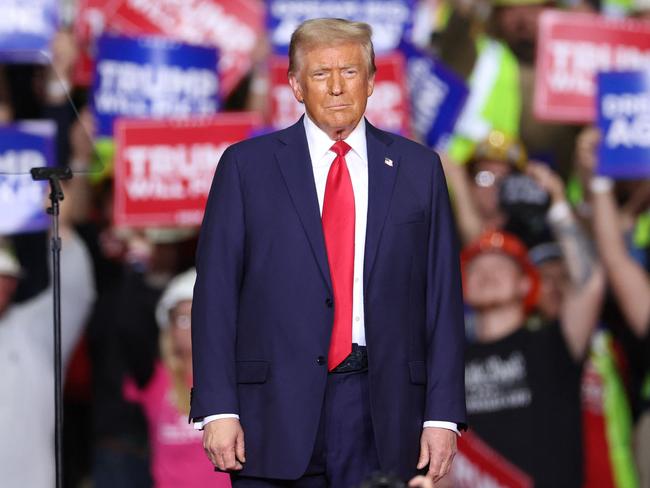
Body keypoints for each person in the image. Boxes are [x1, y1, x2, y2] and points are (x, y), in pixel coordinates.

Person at [191, 18, 467, 487]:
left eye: (351, 72)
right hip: (272, 412)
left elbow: (443, 301)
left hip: (384, 410)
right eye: (320, 74)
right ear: (296, 85)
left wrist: (442, 416)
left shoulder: (419, 170)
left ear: (373, 81)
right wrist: (217, 407)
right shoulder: (246, 168)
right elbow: (215, 297)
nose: (337, 87)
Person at [461, 230, 604, 486]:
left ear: (525, 283)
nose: (486, 273)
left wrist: (559, 207)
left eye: (501, 265)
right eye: (476, 268)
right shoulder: (446, 361)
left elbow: (590, 282)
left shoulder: (553, 342)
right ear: (464, 287)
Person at [0, 220, 95, 486]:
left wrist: (57, 220)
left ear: (13, 282)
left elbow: (75, 286)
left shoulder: (37, 328)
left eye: (4, 276)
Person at [125, 268, 231, 488]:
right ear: (169, 328)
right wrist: (138, 263)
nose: (192, 327)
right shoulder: (155, 377)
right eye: (183, 319)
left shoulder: (231, 378)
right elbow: (128, 322)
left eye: (198, 317)